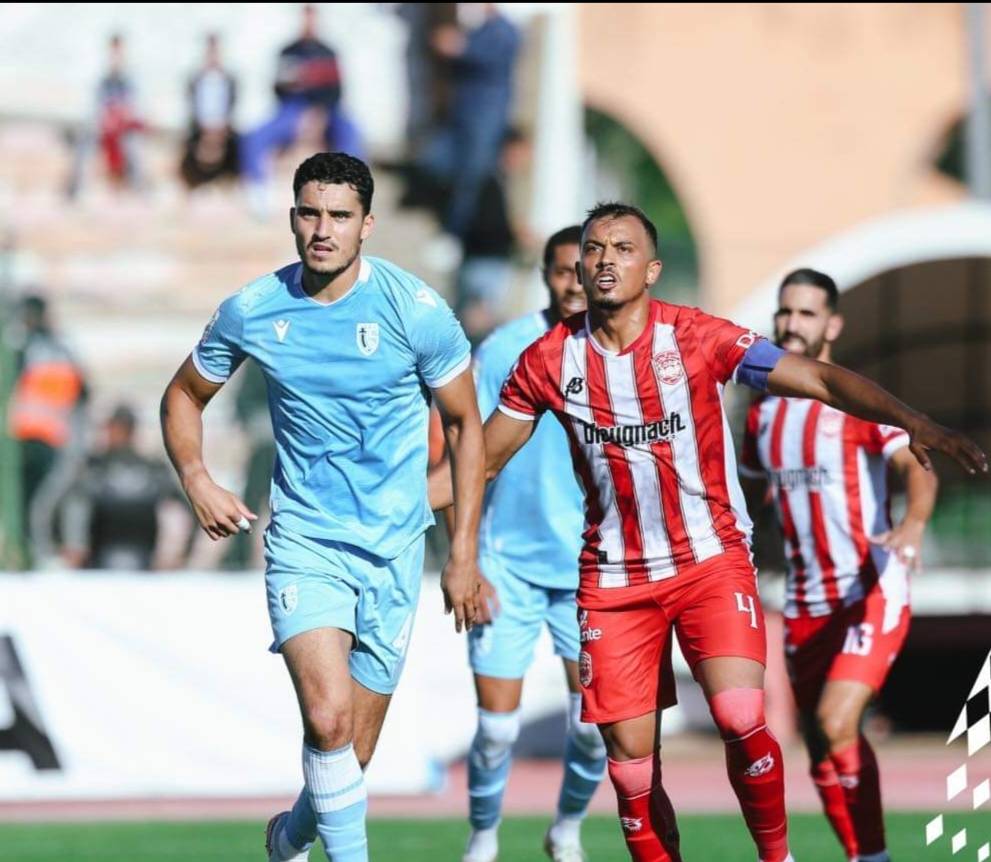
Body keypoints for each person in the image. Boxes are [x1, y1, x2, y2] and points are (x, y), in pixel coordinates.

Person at [429, 203, 987, 862]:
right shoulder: (548, 359)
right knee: (630, 770)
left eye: (623, 248)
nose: (605, 260)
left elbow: (815, 376)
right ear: (578, 266)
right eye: (594, 249)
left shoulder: (696, 337)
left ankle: (776, 858)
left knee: (741, 718)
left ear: (651, 269)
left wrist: (912, 420)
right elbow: (481, 461)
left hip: (709, 564)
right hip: (614, 582)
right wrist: (398, 518)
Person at [160, 152, 485, 862]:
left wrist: (462, 552)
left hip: (395, 547)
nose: (322, 229)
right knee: (329, 718)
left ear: (367, 225)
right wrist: (197, 477)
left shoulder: (415, 310)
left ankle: (289, 837)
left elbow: (466, 427)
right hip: (305, 542)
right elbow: (183, 393)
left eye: (339, 215)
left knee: (349, 756)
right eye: (310, 213)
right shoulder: (254, 309)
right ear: (292, 218)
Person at [739, 269, 939, 862]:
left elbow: (916, 465)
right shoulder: (762, 416)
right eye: (785, 311)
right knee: (820, 745)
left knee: (835, 720)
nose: (791, 323)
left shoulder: (855, 402)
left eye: (806, 313)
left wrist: (913, 523)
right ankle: (864, 855)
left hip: (869, 589)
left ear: (832, 325)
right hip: (805, 601)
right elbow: (749, 495)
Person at [454, 226, 605, 862]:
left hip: (592, 569)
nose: (573, 282)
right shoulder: (505, 349)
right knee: (495, 730)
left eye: (582, 270)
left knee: (593, 730)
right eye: (561, 270)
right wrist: (466, 559)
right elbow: (467, 457)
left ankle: (566, 829)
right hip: (507, 564)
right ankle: (483, 839)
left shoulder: (618, 349)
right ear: (544, 275)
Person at [240, 5, 363, 215]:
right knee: (254, 137)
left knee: (351, 132)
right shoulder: (288, 51)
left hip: (326, 109)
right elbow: (277, 88)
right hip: (292, 108)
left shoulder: (328, 52)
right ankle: (258, 191)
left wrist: (318, 115)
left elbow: (337, 90)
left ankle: (352, 191)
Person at [7, 295, 88, 566]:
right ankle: (39, 554)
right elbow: (83, 394)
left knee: (32, 504)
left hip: (29, 437)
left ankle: (35, 555)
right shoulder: (63, 348)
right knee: (42, 503)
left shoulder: (26, 347)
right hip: (52, 436)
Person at [61, 404, 189, 571]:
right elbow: (70, 505)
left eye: (113, 429)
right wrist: (74, 545)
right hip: (97, 561)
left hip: (145, 562)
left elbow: (187, 509)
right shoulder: (93, 466)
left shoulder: (152, 469)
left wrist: (178, 554)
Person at [180, 32, 240, 190]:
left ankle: (230, 181)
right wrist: (205, 126)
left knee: (239, 145)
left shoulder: (230, 79)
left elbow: (233, 105)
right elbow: (191, 107)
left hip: (223, 127)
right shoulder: (195, 78)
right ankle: (191, 182)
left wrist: (221, 125)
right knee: (187, 145)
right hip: (200, 127)